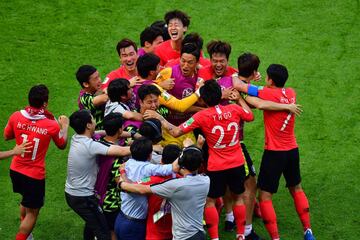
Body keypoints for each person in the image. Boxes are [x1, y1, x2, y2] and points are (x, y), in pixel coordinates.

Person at [144, 80, 254, 240]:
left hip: (216, 165)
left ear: (202, 99)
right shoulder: (235, 109)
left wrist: (160, 118)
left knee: (210, 201)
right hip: (237, 162)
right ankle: (241, 235)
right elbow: (250, 115)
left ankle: (215, 238)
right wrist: (239, 99)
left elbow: (175, 132)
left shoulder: (201, 116)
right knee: (238, 197)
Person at [233, 64, 315, 240]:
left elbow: (240, 86)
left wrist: (239, 88)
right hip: (292, 150)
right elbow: (261, 103)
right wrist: (286, 106)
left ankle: (275, 238)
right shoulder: (291, 92)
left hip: (274, 153)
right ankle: (308, 231)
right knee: (297, 189)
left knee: (265, 196)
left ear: (270, 80)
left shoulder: (267, 92)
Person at [4, 84, 69, 240]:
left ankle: (27, 235)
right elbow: (62, 145)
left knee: (26, 200)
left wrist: (25, 130)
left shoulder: (16, 116)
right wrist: (64, 126)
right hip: (34, 175)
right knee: (33, 212)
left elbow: (7, 136)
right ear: (45, 103)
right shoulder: (51, 124)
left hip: (16, 169)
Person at [118, 145, 210, 240]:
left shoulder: (158, 181)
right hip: (178, 232)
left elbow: (133, 187)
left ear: (161, 160)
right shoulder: (205, 180)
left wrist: (122, 174)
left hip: (157, 234)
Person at [64, 109, 130, 240]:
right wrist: (145, 145)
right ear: (88, 125)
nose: (95, 121)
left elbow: (100, 132)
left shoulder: (77, 138)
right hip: (83, 197)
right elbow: (122, 151)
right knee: (103, 232)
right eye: (92, 119)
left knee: (92, 224)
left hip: (73, 193)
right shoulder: (91, 145)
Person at [114, 137, 180, 240]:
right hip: (135, 225)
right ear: (150, 155)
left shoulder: (127, 163)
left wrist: (122, 175)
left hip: (121, 218)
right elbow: (173, 168)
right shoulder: (150, 170)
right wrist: (188, 149)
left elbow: (121, 180)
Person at [94, 113, 126, 240]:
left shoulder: (97, 143)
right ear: (120, 130)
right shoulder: (116, 156)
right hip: (111, 202)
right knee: (113, 233)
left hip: (96, 195)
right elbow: (120, 182)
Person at [76, 65, 108, 130]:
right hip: (96, 136)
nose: (99, 80)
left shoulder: (97, 90)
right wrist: (127, 85)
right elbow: (105, 98)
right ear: (86, 84)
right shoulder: (84, 98)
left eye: (99, 76)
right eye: (95, 79)